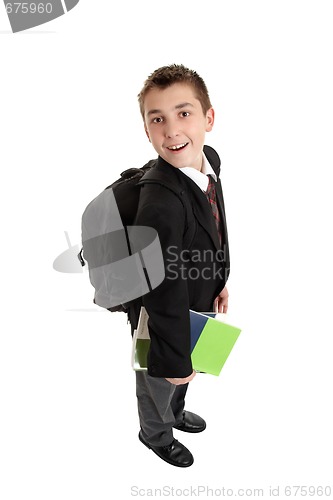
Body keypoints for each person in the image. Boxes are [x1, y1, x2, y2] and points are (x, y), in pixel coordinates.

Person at [129, 64, 230, 467]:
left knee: (190, 368)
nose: (171, 130)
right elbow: (161, 287)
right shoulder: (160, 202)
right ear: (147, 129)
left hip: (197, 293)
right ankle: (154, 433)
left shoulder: (209, 160)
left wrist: (219, 276)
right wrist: (171, 357)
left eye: (183, 113)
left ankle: (174, 410)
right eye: (158, 119)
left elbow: (216, 224)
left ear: (208, 117)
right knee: (157, 376)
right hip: (159, 311)